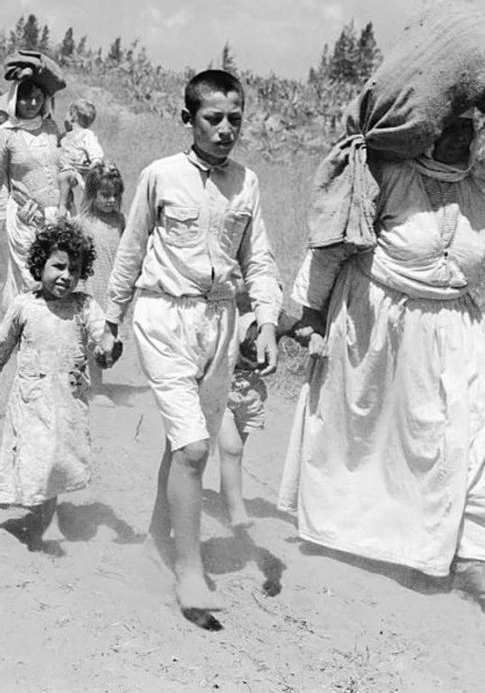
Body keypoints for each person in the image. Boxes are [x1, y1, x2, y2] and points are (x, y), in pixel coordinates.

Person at [279, 45, 485, 601]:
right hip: (378, 322)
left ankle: (473, 554)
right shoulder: (386, 172)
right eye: (450, 127)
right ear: (426, 130)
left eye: (470, 127)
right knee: (377, 440)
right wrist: (309, 314)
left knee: (481, 425)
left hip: (456, 326)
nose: (463, 137)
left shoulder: (482, 180)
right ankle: (361, 539)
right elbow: (333, 243)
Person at [105, 70, 281, 615]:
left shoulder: (246, 183)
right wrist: (111, 319)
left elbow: (258, 259)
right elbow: (132, 248)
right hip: (164, 316)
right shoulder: (160, 176)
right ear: (188, 119)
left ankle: (160, 538)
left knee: (186, 444)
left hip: (221, 325)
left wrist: (268, 320)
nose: (226, 130)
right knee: (196, 449)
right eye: (213, 118)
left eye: (235, 119)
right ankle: (189, 569)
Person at [0, 220, 115, 552]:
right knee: (32, 456)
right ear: (40, 265)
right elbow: (3, 347)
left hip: (68, 402)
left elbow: (101, 339)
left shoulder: (83, 306)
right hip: (30, 400)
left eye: (74, 269)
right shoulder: (24, 306)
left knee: (54, 465)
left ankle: (36, 526)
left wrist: (108, 349)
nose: (66, 275)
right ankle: (26, 521)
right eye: (58, 266)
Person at [0, 52, 67, 313]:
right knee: (30, 282)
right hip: (24, 217)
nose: (31, 103)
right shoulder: (7, 135)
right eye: (26, 97)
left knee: (59, 277)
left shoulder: (51, 128)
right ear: (16, 98)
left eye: (37, 98)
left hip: (56, 215)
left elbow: (61, 167)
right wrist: (4, 218)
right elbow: (1, 181)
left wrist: (64, 203)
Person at [218, 290, 286, 529]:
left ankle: (225, 499)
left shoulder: (269, 318)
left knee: (234, 454)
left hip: (250, 390)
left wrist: (314, 336)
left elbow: (298, 328)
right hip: (220, 387)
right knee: (231, 449)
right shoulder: (223, 313)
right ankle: (236, 512)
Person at [73, 162, 125, 385]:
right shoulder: (82, 222)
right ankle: (95, 386)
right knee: (91, 335)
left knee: (107, 335)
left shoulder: (120, 221)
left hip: (112, 286)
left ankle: (92, 380)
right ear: (92, 194)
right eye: (105, 195)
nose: (111, 200)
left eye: (115, 195)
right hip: (90, 286)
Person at [57, 99, 104, 215]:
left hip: (73, 172)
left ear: (72, 115)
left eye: (67, 113)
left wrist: (96, 161)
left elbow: (94, 149)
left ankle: (62, 207)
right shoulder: (64, 136)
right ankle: (71, 213)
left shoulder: (86, 135)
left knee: (65, 178)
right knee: (65, 191)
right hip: (60, 168)